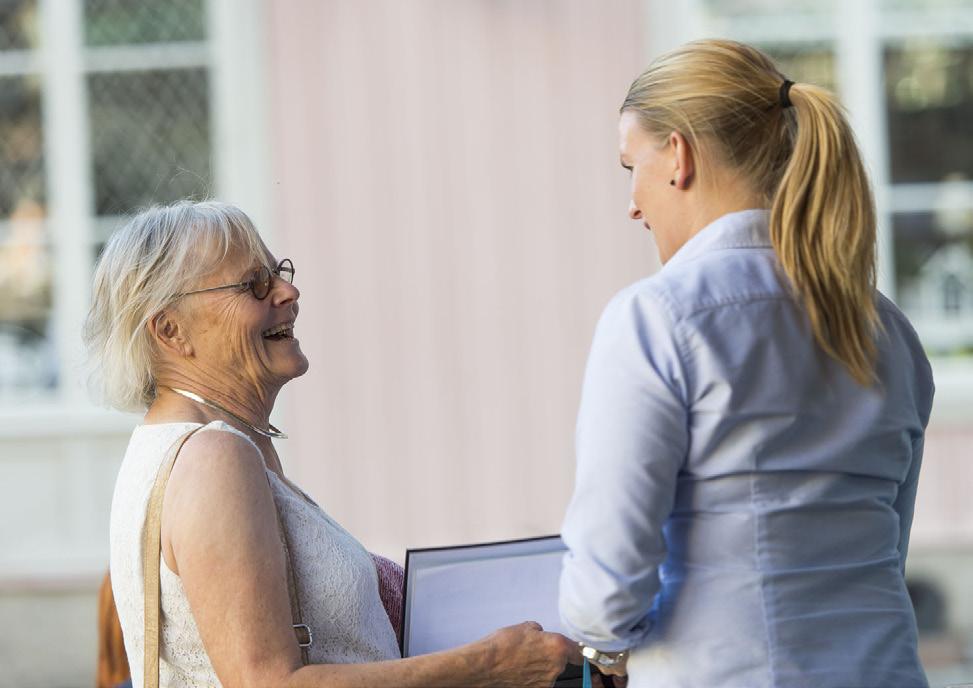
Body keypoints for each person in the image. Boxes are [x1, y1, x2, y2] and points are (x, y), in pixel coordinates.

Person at [558, 39, 934, 688]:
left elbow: (607, 583)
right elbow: (886, 543)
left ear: (677, 155)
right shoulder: (886, 328)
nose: (632, 205)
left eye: (630, 167)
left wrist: (603, 647)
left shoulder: (657, 318)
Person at [85, 201, 579, 687]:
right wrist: (488, 666)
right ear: (171, 331)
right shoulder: (214, 456)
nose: (288, 290)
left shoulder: (187, 446)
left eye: (277, 272)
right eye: (255, 284)